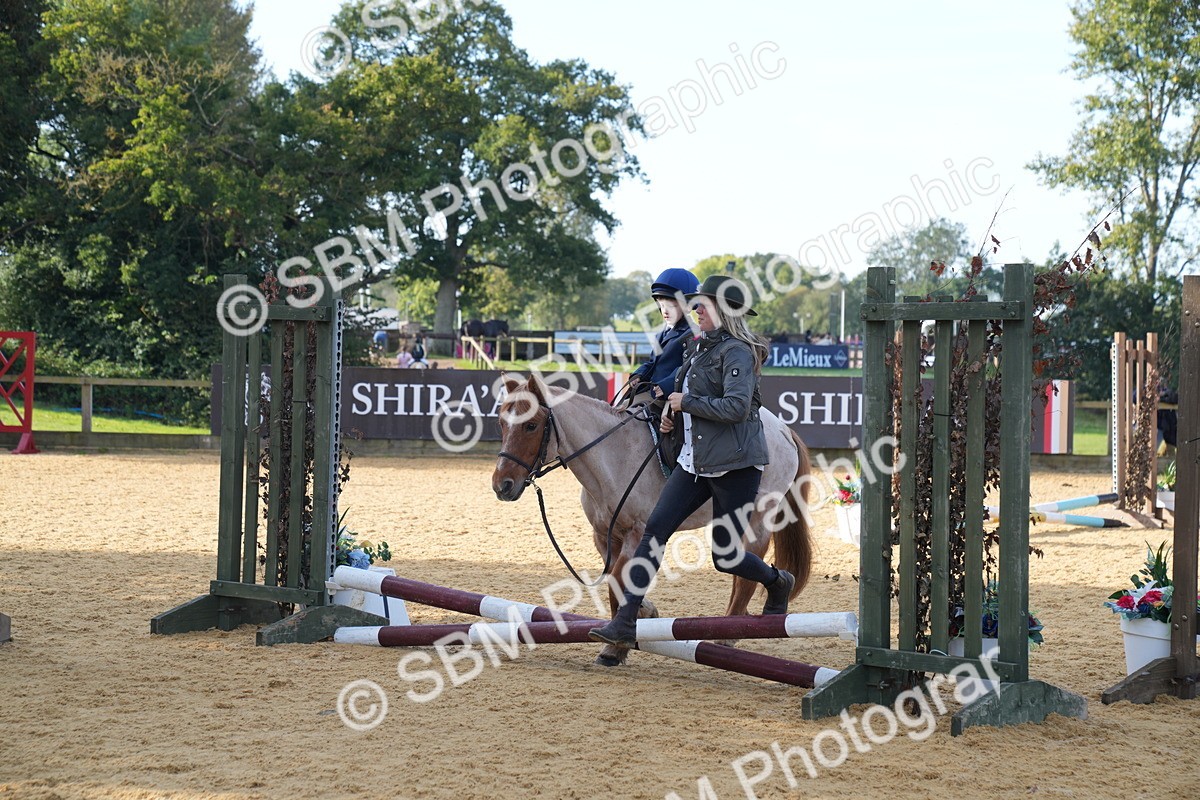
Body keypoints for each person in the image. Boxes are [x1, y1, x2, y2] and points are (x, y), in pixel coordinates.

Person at [589, 275, 795, 648]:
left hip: (736, 466)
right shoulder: (698, 347)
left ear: (725, 311)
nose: (695, 310)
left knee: (727, 556)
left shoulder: (738, 352)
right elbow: (681, 390)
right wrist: (672, 413)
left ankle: (777, 581)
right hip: (695, 461)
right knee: (653, 532)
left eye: (704, 304)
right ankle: (624, 622)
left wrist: (687, 404)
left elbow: (734, 407)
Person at [627, 268, 700, 402]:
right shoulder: (661, 334)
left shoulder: (693, 334)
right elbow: (652, 363)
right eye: (661, 305)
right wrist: (639, 374)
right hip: (650, 390)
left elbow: (688, 368)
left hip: (671, 395)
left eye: (671, 306)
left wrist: (666, 386)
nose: (665, 311)